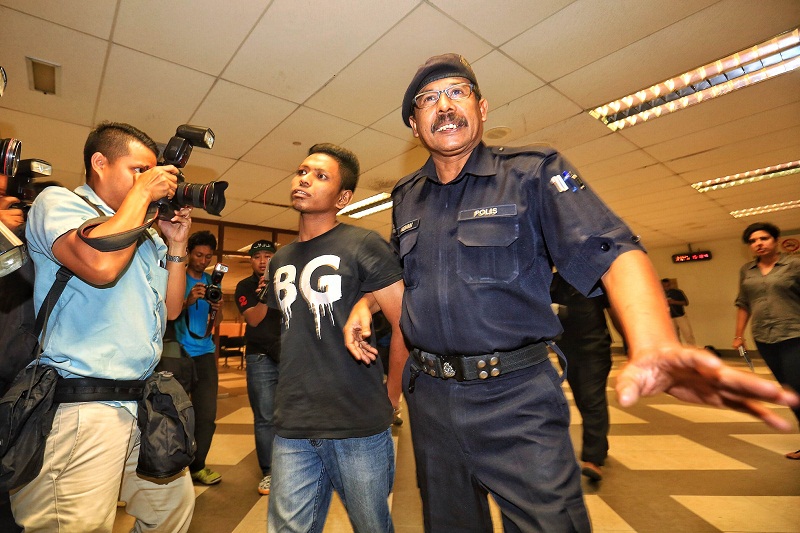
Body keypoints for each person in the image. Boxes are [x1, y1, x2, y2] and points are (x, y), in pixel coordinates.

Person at [343, 53, 798, 533]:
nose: (445, 105)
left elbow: (613, 251)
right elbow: (408, 272)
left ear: (482, 107)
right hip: (430, 396)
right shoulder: (406, 195)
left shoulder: (532, 172)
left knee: (551, 525)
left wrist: (655, 343)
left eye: (457, 92)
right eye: (429, 99)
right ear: (416, 125)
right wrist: (366, 299)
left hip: (516, 398)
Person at [10, 121, 195, 531]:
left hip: (140, 404)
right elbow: (100, 265)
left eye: (151, 173)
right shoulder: (58, 204)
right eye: (138, 170)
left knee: (170, 510)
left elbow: (172, 310)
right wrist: (144, 195)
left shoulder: (143, 235)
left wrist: (177, 244)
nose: (149, 181)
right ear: (99, 162)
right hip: (81, 404)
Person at [264, 143, 406, 533]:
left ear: (343, 197)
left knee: (371, 526)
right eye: (302, 171)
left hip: (357, 421)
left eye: (320, 175)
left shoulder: (364, 244)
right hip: (293, 422)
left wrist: (391, 398)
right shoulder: (280, 259)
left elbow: (404, 326)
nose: (304, 178)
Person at [733, 222, 800, 460]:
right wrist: (739, 335)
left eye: (763, 238)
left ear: (776, 240)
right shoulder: (747, 270)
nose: (758, 244)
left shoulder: (794, 265)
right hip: (764, 336)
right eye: (752, 241)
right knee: (789, 392)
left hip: (794, 334)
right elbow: (743, 302)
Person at [551, 271, 613, 482]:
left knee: (591, 399)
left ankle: (593, 459)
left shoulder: (595, 277)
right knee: (583, 400)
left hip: (595, 348)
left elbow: (615, 310)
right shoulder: (553, 282)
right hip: (567, 350)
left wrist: (633, 345)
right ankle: (600, 446)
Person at [174, 229, 224, 485]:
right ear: (189, 253)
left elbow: (217, 323)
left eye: (207, 257)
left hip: (204, 353)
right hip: (178, 354)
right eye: (198, 255)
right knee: (174, 413)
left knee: (206, 414)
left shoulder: (213, 283)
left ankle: (199, 466)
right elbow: (167, 313)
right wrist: (187, 300)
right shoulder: (177, 278)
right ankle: (171, 464)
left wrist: (217, 307)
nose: (203, 261)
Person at [234, 239, 282, 495]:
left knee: (292, 414)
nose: (262, 261)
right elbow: (254, 319)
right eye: (257, 257)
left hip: (288, 354)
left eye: (267, 256)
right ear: (251, 261)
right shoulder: (245, 286)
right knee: (265, 418)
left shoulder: (287, 280)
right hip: (260, 357)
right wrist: (265, 294)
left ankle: (295, 466)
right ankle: (269, 472)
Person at [661, 278, 696, 345]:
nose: (666, 288)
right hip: (669, 318)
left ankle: (693, 351)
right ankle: (678, 352)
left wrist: (674, 302)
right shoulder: (659, 293)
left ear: (670, 285)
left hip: (680, 316)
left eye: (667, 285)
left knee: (688, 335)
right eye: (664, 286)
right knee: (674, 338)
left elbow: (685, 303)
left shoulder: (677, 292)